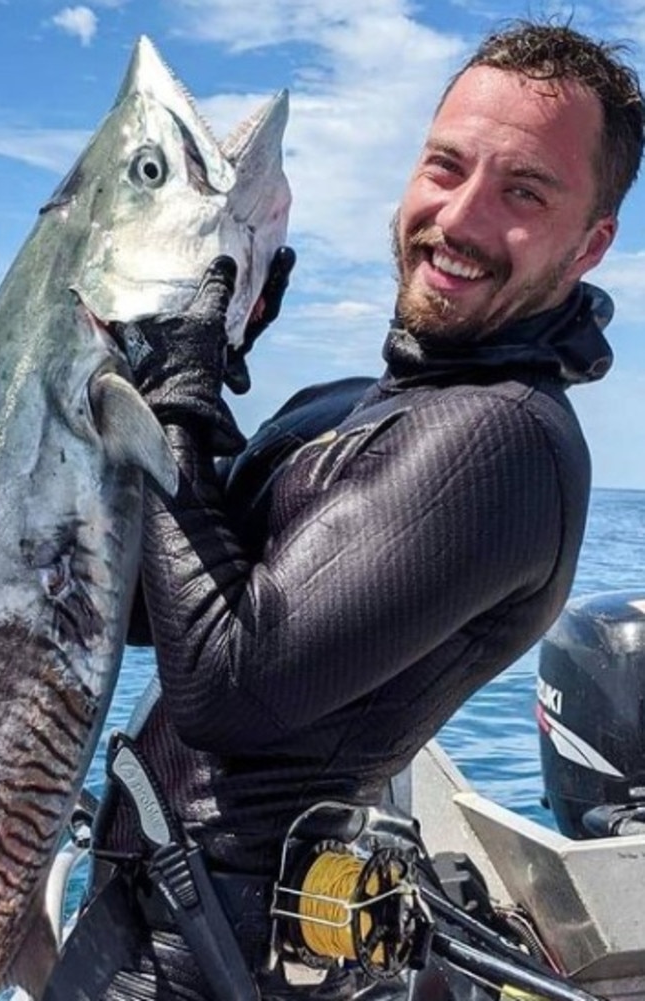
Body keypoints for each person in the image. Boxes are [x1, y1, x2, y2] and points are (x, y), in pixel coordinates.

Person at [42, 18, 645, 1001]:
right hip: (136, 923)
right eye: (445, 166)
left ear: (590, 244)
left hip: (219, 966)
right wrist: (206, 380)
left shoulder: (505, 442)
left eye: (521, 192)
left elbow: (229, 688)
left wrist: (174, 413)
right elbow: (157, 610)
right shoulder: (346, 406)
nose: (458, 217)